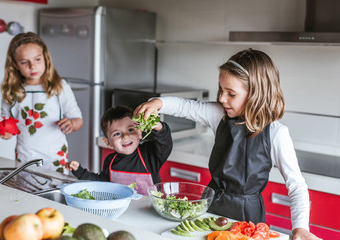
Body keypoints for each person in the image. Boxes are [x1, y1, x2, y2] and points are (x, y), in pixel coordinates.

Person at [134, 49, 321, 240]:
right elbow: (185, 106)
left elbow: (296, 185)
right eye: (221, 90)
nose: (222, 98)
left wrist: (300, 227)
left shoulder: (276, 133)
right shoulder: (219, 115)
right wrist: (158, 103)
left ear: (256, 94)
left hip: (247, 219)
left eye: (231, 93)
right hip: (211, 208)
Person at [0, 32, 83, 173]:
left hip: (55, 157)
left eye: (37, 59)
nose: (33, 66)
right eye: (25, 62)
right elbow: (7, 124)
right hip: (25, 156)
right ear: (15, 64)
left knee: (53, 189)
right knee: (26, 190)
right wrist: (5, 132)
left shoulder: (60, 87)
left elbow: (78, 120)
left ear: (46, 58)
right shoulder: (11, 91)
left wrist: (72, 124)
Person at [65, 105, 173, 195]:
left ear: (140, 132)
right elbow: (101, 182)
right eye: (117, 134)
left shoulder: (149, 154)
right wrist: (79, 171)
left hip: (148, 212)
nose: (125, 136)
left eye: (130, 130)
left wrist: (158, 127)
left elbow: (166, 144)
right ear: (108, 143)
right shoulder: (111, 161)